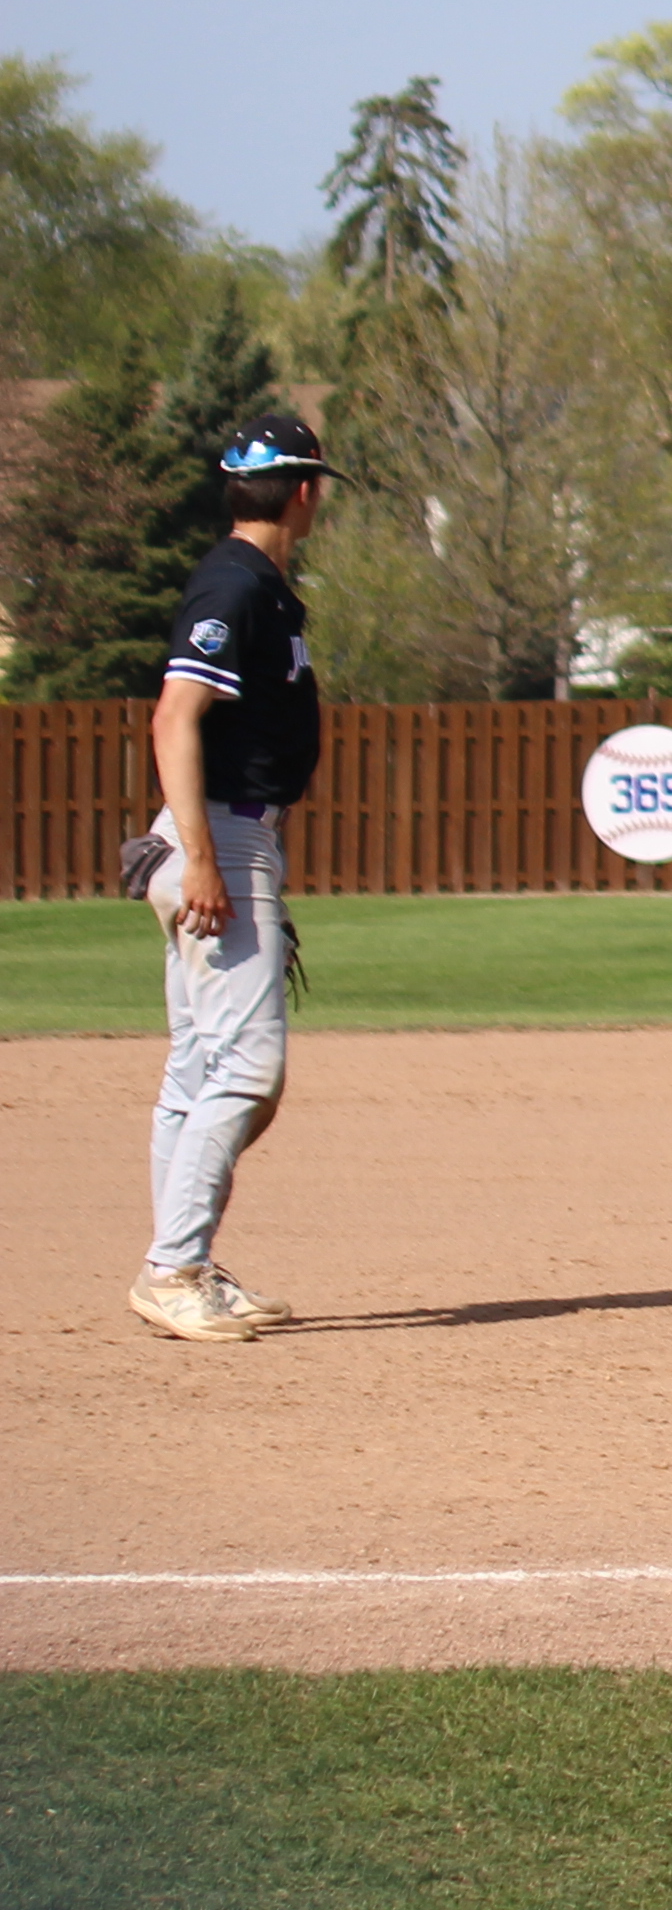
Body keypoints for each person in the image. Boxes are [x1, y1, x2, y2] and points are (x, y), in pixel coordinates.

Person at [128, 414, 338, 1342]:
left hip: (220, 836)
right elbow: (176, 717)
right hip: (218, 837)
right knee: (248, 1069)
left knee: (202, 1066)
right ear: (305, 493)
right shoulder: (236, 583)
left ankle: (186, 1263)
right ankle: (173, 1268)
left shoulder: (255, 584)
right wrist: (206, 862)